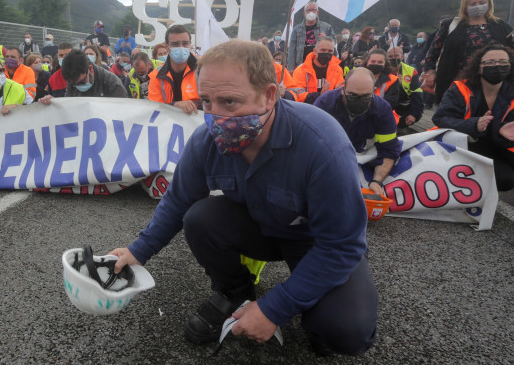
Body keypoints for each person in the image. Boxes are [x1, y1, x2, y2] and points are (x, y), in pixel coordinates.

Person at [109, 40, 377, 356]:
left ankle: (317, 315)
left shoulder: (323, 146)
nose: (216, 117)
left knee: (346, 332)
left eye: (230, 102)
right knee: (199, 217)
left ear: (269, 95)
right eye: (207, 102)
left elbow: (342, 245)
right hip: (262, 228)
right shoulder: (205, 140)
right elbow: (179, 200)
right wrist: (139, 250)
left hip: (316, 243)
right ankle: (234, 294)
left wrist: (275, 308)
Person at [433, 44, 514, 191]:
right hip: (459, 146)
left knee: (506, 180)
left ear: (511, 66)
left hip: (497, 148)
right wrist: (475, 124)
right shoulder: (459, 88)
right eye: (489, 62)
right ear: (478, 67)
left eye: (503, 62)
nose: (497, 65)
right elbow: (441, 118)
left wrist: (500, 131)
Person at [425, 0, 514, 105]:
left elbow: (511, 52)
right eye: (473, 3)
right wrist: (429, 73)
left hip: (492, 85)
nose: (477, 6)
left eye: (482, 3)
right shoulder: (451, 25)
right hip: (456, 83)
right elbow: (432, 52)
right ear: (465, 6)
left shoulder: (500, 25)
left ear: (489, 4)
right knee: (453, 117)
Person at [314, 68, 400, 196]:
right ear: (343, 89)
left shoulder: (382, 110)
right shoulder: (325, 104)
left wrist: (377, 181)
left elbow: (389, 150)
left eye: (366, 97)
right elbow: (310, 145)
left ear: (373, 91)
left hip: (357, 152)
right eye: (352, 95)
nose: (359, 101)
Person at [148, 24, 200, 115]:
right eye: (175, 44)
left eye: (185, 43)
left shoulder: (202, 70)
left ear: (190, 45)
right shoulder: (156, 76)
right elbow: (154, 107)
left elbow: (213, 103)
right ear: (167, 48)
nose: (181, 47)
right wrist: (174, 105)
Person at [39, 50, 127, 102]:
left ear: (90, 69)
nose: (78, 86)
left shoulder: (113, 84)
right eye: (74, 84)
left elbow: (120, 113)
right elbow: (69, 105)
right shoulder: (74, 78)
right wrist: (55, 103)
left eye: (81, 82)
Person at [285, 36, 344, 104]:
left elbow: (341, 88)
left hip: (330, 106)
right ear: (315, 51)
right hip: (308, 107)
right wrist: (320, 95)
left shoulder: (337, 69)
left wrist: (338, 91)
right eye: (323, 50)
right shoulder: (301, 70)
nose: (326, 53)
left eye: (330, 51)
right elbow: (297, 94)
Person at [286, 1, 335, 71]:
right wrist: (290, 68)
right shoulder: (296, 29)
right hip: (302, 65)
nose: (311, 12)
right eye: (308, 10)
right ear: (304, 13)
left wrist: (326, 38)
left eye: (313, 10)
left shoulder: (326, 27)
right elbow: (292, 50)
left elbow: (334, 43)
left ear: (317, 12)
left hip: (321, 65)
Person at [387, 46, 423, 130]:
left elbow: (417, 93)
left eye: (396, 56)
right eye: (390, 56)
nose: (393, 58)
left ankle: (399, 126)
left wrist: (414, 114)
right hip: (387, 103)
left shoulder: (411, 71)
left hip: (403, 104)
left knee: (416, 113)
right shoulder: (383, 69)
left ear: (402, 56)